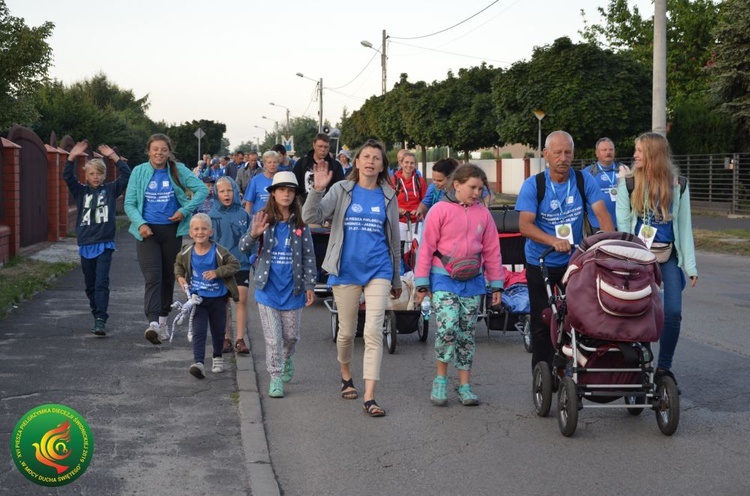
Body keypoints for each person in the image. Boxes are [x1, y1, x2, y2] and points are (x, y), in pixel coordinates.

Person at [302, 139, 402, 417]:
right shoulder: (341, 190)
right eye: (366, 157)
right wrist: (317, 189)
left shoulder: (388, 196)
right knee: (346, 333)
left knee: (372, 332)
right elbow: (310, 216)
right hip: (345, 269)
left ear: (382, 166)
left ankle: (370, 396)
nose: (371, 161)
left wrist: (395, 278)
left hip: (378, 269)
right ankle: (346, 374)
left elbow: (394, 240)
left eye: (376, 158)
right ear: (357, 162)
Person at [515, 130, 614, 373]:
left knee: (579, 317)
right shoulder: (534, 185)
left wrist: (609, 244)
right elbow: (524, 226)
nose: (563, 157)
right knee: (543, 320)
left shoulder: (583, 180)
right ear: (546, 154)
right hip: (541, 262)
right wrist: (552, 240)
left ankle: (573, 367)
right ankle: (542, 375)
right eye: (557, 152)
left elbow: (602, 215)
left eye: (567, 152)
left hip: (574, 262)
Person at [414, 164, 504, 406]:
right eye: (472, 187)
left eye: (480, 188)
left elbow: (493, 250)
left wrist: (496, 284)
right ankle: (440, 379)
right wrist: (421, 283)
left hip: (473, 281)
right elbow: (426, 249)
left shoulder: (483, 214)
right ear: (457, 185)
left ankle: (464, 385)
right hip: (443, 278)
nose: (477, 193)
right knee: (447, 327)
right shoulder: (439, 210)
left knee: (466, 333)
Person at [616, 132, 697, 382]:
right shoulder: (628, 184)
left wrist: (690, 266)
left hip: (668, 256)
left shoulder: (678, 185)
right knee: (638, 311)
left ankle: (664, 368)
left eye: (639, 150)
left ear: (653, 154)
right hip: (638, 257)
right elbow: (623, 227)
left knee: (672, 312)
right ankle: (640, 358)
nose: (635, 155)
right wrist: (625, 261)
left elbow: (685, 227)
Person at [124, 133, 208, 345]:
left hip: (171, 231)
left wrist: (185, 210)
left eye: (163, 149)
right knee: (153, 276)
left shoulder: (177, 170)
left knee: (168, 277)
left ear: (169, 151)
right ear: (149, 151)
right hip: (147, 233)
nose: (159, 153)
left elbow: (202, 189)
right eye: (155, 149)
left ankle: (162, 322)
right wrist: (140, 224)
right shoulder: (139, 171)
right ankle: (152, 323)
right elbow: (129, 203)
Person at [240, 172, 316, 398]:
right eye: (282, 189)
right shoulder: (262, 218)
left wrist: (310, 284)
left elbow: (308, 256)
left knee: (291, 336)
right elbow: (244, 247)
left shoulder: (300, 224)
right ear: (273, 193)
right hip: (268, 290)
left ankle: (287, 358)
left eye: (290, 190)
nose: (286, 194)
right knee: (273, 338)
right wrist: (253, 235)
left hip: (293, 290)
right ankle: (275, 377)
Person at [63, 140, 131, 336]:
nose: (95, 177)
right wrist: (71, 157)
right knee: (90, 285)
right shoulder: (80, 192)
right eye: (91, 174)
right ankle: (96, 313)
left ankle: (101, 318)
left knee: (101, 282)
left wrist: (114, 157)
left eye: (99, 174)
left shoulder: (110, 190)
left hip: (104, 244)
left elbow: (127, 175)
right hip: (86, 244)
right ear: (86, 175)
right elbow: (67, 176)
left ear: (104, 175)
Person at [175, 213, 240, 378]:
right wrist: (180, 278)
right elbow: (178, 265)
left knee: (218, 331)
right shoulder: (187, 251)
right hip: (198, 299)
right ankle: (199, 363)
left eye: (204, 229)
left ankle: (218, 356)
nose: (200, 232)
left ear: (211, 232)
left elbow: (235, 264)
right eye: (196, 229)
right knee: (199, 331)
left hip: (218, 298)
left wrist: (217, 272)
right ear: (190, 233)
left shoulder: (219, 251)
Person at [209, 176, 252, 355]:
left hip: (241, 264)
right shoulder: (211, 215)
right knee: (223, 301)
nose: (226, 194)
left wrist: (253, 257)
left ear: (235, 191)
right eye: (222, 191)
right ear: (216, 194)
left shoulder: (243, 214)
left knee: (241, 299)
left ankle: (240, 339)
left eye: (229, 190)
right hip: (221, 264)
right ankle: (226, 338)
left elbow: (250, 238)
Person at [585, 137, 630, 230]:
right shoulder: (588, 172)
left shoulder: (624, 169)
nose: (608, 152)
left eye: (611, 149)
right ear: (597, 153)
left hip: (622, 224)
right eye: (604, 150)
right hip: (597, 224)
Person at [293, 133, 345, 201]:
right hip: (304, 206)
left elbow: (340, 189)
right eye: (320, 146)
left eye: (326, 147)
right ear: (314, 145)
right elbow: (294, 186)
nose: (323, 149)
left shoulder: (336, 166)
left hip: (327, 207)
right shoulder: (302, 163)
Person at [392, 151, 426, 251]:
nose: (409, 165)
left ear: (415, 165)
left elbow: (425, 200)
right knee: (401, 250)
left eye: (412, 163)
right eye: (406, 162)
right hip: (400, 220)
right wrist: (397, 209)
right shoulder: (393, 180)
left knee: (417, 249)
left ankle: (415, 267)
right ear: (401, 163)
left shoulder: (420, 181)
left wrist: (420, 209)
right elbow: (388, 201)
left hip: (416, 220)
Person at [244, 150, 280, 215]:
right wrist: (247, 220)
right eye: (269, 162)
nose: (272, 165)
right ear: (264, 164)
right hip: (258, 219)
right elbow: (249, 203)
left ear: (278, 164)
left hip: (276, 219)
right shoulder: (255, 180)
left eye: (275, 162)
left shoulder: (281, 180)